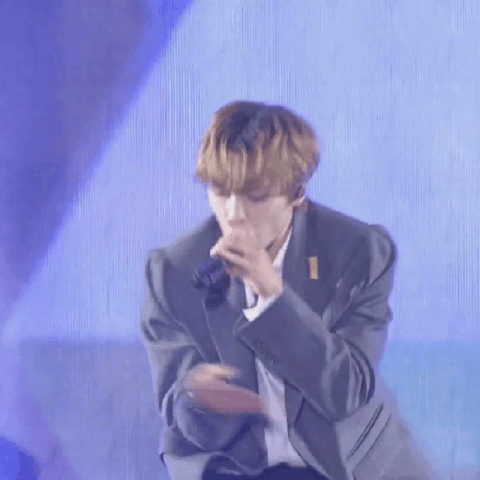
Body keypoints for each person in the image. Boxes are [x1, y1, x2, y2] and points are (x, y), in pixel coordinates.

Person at [140, 101, 438, 480]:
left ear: (297, 193)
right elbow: (180, 414)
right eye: (220, 191)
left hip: (345, 464)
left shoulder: (359, 252)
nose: (233, 214)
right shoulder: (171, 271)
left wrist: (273, 296)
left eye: (256, 196)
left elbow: (345, 394)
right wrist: (197, 399)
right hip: (231, 467)